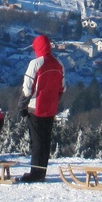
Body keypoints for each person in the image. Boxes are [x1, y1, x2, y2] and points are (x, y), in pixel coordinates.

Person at [18, 34, 65, 183]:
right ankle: (41, 171)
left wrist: (22, 105)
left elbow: (28, 87)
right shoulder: (59, 64)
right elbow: (62, 87)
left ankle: (36, 173)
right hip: (51, 108)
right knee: (45, 141)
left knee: (36, 141)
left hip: (36, 108)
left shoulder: (36, 63)